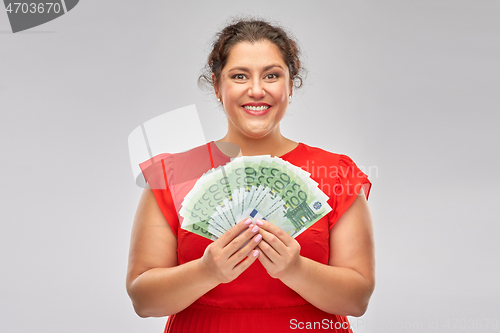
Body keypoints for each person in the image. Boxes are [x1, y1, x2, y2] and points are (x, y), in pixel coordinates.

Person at [126, 18, 375, 333]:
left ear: (290, 85)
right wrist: (206, 271)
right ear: (218, 86)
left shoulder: (338, 174)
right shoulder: (173, 175)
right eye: (239, 76)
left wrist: (295, 269)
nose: (257, 90)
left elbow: (357, 300)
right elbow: (144, 301)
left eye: (272, 75)